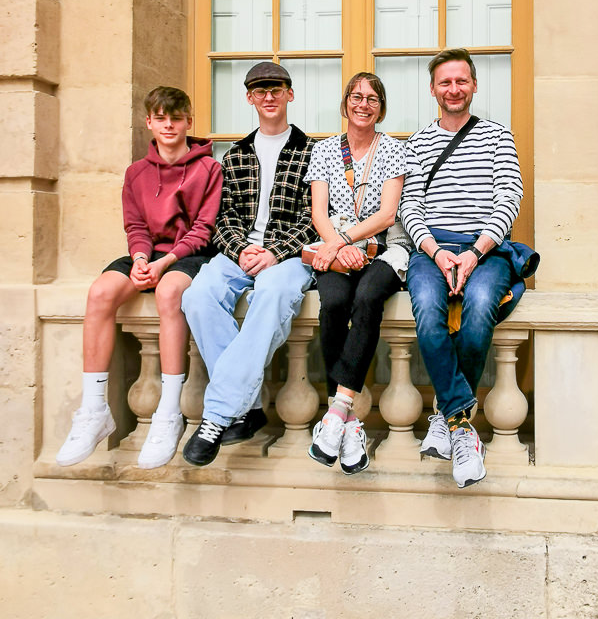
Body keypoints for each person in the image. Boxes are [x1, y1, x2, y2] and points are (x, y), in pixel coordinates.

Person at [57, 87, 223, 469]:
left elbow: (204, 229)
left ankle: (168, 413)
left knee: (168, 295)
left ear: (188, 122)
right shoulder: (136, 173)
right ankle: (95, 410)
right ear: (149, 122)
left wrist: (164, 265)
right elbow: (135, 225)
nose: (169, 125)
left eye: (176, 118)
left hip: (190, 254)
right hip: (149, 254)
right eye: (161, 118)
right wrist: (140, 258)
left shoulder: (209, 168)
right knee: (100, 293)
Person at [400, 48, 526, 489]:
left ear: (473, 85)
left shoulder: (497, 136)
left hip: (486, 249)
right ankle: (460, 422)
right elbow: (409, 206)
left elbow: (509, 197)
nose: (453, 89)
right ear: (432, 89)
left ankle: (446, 416)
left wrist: (474, 251)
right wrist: (436, 252)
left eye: (461, 81)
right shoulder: (416, 143)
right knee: (430, 315)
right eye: (445, 82)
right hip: (431, 249)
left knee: (477, 312)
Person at [181, 62, 315, 466]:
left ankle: (218, 415)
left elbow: (314, 220)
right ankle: (249, 404)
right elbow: (224, 219)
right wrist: (241, 251)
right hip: (239, 253)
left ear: (290, 94)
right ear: (249, 98)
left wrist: (274, 252)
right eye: (260, 91)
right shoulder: (235, 156)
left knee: (273, 293)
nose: (269, 96)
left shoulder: (313, 152)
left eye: (276, 89)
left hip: (290, 255)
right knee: (198, 297)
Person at [305, 73, 407, 474]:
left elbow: (387, 214)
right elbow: (318, 211)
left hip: (384, 249)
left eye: (372, 98)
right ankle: (346, 424)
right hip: (336, 247)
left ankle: (337, 411)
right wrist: (339, 247)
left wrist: (346, 241)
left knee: (366, 299)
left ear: (381, 107)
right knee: (332, 302)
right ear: (345, 102)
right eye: (357, 96)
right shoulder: (324, 150)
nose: (364, 104)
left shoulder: (394, 151)